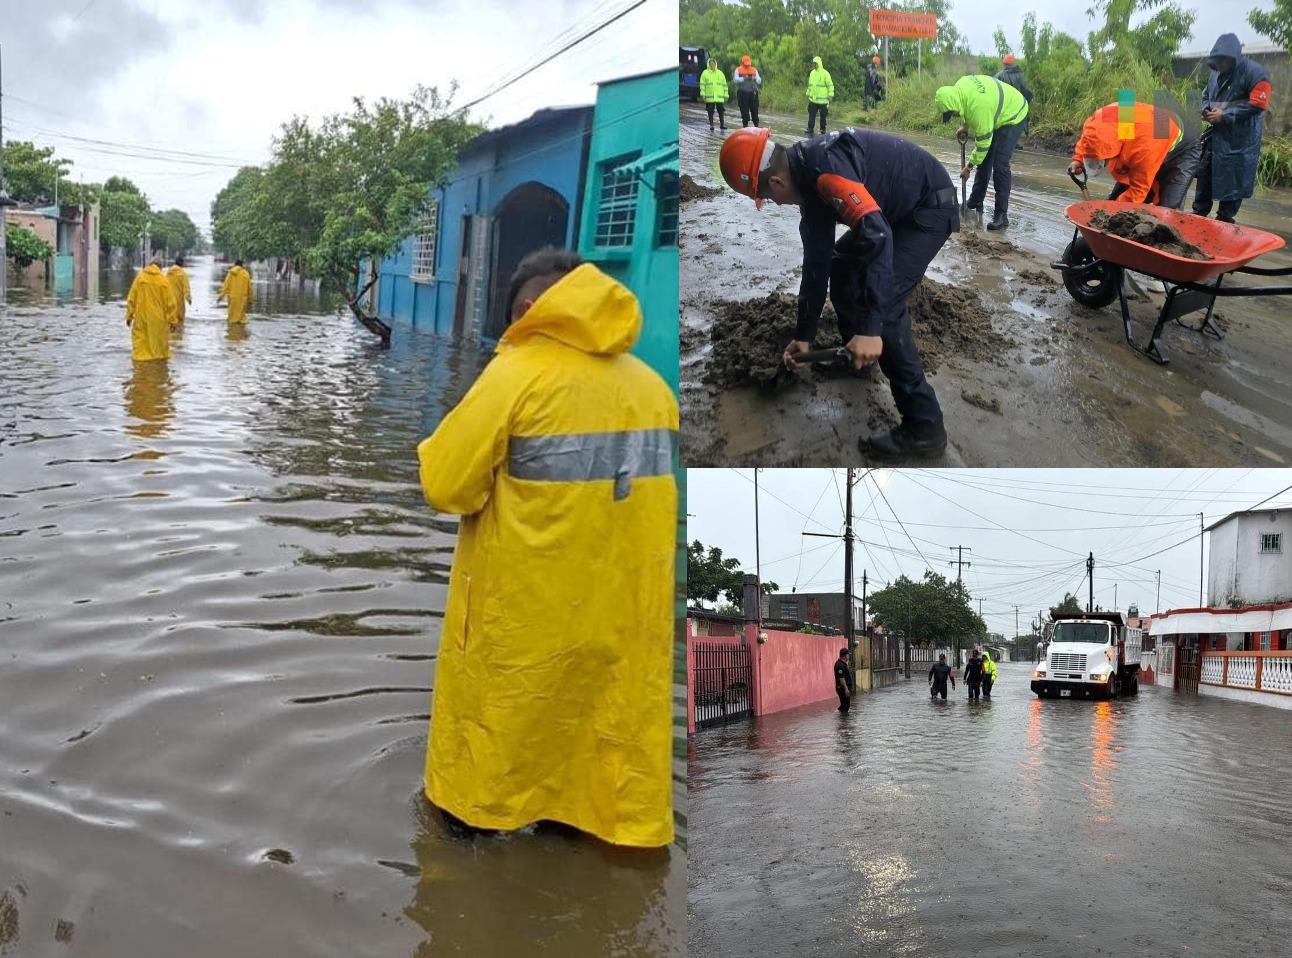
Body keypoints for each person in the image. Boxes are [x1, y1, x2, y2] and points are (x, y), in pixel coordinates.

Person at [416, 248, 678, 848]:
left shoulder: (516, 374)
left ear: (532, 307)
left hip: (524, 622)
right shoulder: (654, 389)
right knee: (593, 767)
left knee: (483, 788)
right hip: (622, 619)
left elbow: (446, 487)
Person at [718, 126, 955, 459]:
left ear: (777, 183)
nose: (775, 204)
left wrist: (870, 330)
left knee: (884, 309)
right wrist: (804, 336)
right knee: (841, 266)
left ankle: (925, 428)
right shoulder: (805, 180)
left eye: (767, 199)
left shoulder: (827, 174)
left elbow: (878, 237)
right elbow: (817, 266)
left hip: (926, 210)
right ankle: (856, 358)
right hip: (892, 211)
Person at [1193, 33, 1273, 223]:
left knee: (1233, 183)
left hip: (1240, 142)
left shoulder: (1255, 73)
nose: (1220, 65)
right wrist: (1205, 109)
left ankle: (1224, 222)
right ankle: (1197, 217)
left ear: (1233, 57)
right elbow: (1206, 97)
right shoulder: (1215, 75)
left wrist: (1225, 115)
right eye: (1217, 61)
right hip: (1216, 137)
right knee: (1205, 176)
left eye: (1223, 60)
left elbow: (1258, 104)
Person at [1068, 101, 1202, 210]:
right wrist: (1079, 159)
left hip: (1183, 149)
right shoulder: (1102, 119)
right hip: (1153, 134)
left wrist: (1110, 212)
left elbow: (1139, 189)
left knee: (1167, 209)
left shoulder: (1143, 148)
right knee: (1114, 200)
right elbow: (1089, 141)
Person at [935, 74, 1028, 231]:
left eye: (953, 113)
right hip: (996, 110)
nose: (954, 116)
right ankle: (976, 201)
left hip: (1014, 113)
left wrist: (969, 167)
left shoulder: (979, 109)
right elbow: (966, 106)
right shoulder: (960, 87)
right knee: (985, 161)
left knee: (1000, 165)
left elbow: (983, 145)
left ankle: (1001, 216)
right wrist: (964, 126)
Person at [125, 255, 178, 361]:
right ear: (160, 267)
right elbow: (171, 304)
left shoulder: (140, 278)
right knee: (159, 352)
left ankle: (141, 369)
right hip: (159, 321)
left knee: (140, 350)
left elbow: (131, 299)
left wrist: (129, 316)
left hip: (142, 319)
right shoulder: (164, 280)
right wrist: (173, 322)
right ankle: (157, 368)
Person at [995, 54, 1033, 135]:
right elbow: (1027, 91)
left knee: (1004, 128)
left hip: (1004, 108)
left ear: (1004, 63)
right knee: (1017, 126)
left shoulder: (999, 76)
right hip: (1018, 106)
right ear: (1013, 63)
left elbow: (993, 90)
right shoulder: (1019, 75)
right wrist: (1026, 102)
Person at [217, 259, 253, 323]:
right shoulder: (246, 274)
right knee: (241, 320)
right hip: (242, 299)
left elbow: (225, 286)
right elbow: (249, 288)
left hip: (232, 299)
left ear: (234, 265)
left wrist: (220, 297)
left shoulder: (231, 273)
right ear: (242, 265)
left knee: (231, 320)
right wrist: (250, 300)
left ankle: (232, 328)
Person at [805, 56, 834, 136]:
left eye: (816, 63)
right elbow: (810, 85)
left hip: (823, 101)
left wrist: (830, 95)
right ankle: (810, 129)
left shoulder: (825, 73)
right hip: (813, 100)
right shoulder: (812, 73)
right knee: (811, 115)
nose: (814, 65)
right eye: (813, 63)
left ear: (819, 64)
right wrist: (808, 94)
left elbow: (830, 85)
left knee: (823, 117)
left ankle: (822, 130)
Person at [700, 57, 728, 131]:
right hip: (710, 97)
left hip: (719, 97)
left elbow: (724, 85)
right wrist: (703, 94)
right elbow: (702, 85)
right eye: (711, 64)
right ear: (709, 65)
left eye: (714, 64)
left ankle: (722, 125)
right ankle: (711, 124)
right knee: (710, 111)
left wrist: (726, 95)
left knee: (721, 110)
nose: (712, 65)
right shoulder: (705, 73)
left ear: (716, 64)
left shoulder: (720, 73)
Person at [733, 55, 762, 127]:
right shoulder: (738, 69)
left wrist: (754, 78)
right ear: (742, 63)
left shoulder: (754, 70)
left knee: (755, 110)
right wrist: (744, 78)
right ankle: (745, 126)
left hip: (753, 93)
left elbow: (759, 81)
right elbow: (735, 80)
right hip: (742, 93)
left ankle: (756, 126)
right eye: (745, 64)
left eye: (748, 64)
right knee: (744, 111)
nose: (747, 65)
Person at [167, 255, 192, 325]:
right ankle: (179, 332)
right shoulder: (183, 273)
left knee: (170, 321)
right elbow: (186, 287)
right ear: (182, 263)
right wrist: (188, 298)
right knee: (180, 322)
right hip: (179, 301)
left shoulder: (169, 272)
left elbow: (165, 285)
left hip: (169, 301)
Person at [834, 647, 853, 712]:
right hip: (842, 689)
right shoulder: (840, 665)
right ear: (845, 656)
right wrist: (846, 689)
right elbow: (841, 679)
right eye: (848, 655)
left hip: (843, 688)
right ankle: (840, 716)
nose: (849, 656)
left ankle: (841, 716)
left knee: (845, 705)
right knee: (845, 706)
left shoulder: (842, 664)